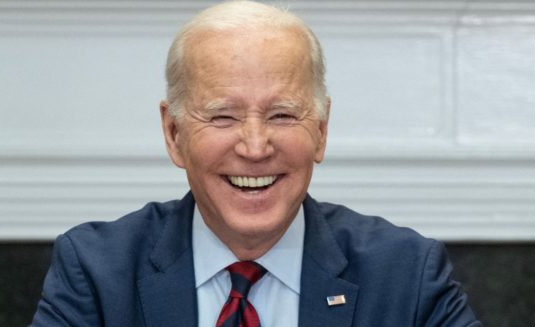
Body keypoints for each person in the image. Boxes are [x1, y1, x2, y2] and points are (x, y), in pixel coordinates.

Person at [30, 1, 481, 326]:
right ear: (174, 134)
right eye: (222, 116)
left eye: (282, 115)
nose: (255, 146)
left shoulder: (405, 273)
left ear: (321, 131)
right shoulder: (96, 271)